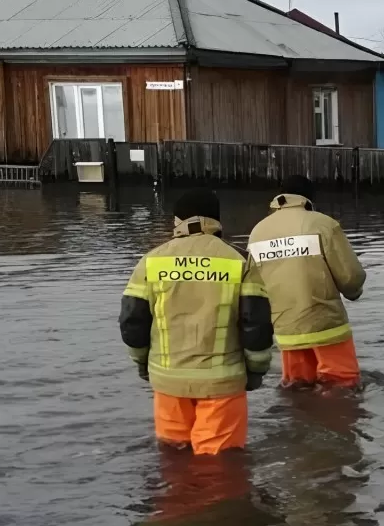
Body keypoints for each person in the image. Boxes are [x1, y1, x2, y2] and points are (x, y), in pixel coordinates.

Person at [119, 189, 274, 455]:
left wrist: (143, 365)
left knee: (173, 460)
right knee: (219, 469)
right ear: (216, 221)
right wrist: (256, 371)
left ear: (177, 221)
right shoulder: (239, 261)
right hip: (222, 385)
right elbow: (256, 324)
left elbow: (133, 321)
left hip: (168, 383)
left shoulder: (150, 261)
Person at [247, 176, 367, 389]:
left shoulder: (257, 232)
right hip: (327, 326)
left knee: (298, 389)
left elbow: (253, 287)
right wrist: (354, 292)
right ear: (308, 199)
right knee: (343, 388)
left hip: (286, 331)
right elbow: (350, 276)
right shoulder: (322, 224)